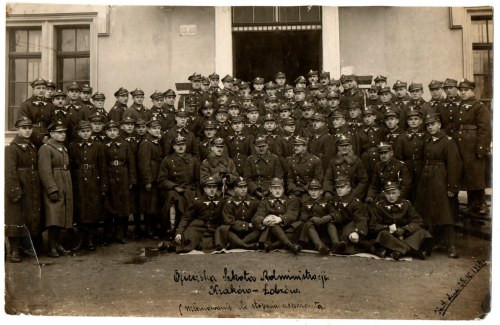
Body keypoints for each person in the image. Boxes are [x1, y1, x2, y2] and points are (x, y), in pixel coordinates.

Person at [415, 113, 462, 258]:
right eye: (428, 125)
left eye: (433, 124)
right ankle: (431, 242)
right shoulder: (427, 140)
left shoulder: (448, 141)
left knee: (445, 212)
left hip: (441, 179)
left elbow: (454, 165)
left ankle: (451, 245)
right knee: (428, 211)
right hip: (427, 179)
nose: (430, 127)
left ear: (439, 125)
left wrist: (452, 186)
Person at [5, 117, 42, 262]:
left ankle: (25, 247)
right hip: (20, 183)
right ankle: (14, 250)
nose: (27, 131)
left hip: (32, 184)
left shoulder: (31, 146)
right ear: (17, 129)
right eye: (23, 128)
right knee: (15, 217)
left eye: (29, 128)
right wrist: (14, 190)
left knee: (29, 216)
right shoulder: (12, 148)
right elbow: (9, 171)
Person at [452, 79, 491, 215]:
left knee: (477, 175)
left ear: (472, 90)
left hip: (473, 146)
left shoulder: (479, 107)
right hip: (462, 146)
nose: (462, 93)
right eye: (461, 90)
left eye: (465, 90)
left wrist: (481, 148)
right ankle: (472, 204)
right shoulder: (460, 106)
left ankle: (482, 204)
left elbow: (485, 129)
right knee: (468, 175)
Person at [68, 120, 107, 251]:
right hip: (78, 180)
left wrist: (103, 185)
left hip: (93, 180)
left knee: (93, 208)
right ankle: (80, 239)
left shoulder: (98, 146)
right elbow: (71, 166)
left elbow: (102, 167)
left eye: (88, 131)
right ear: (78, 132)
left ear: (91, 132)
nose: (85, 134)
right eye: (83, 131)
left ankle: (90, 239)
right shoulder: (73, 146)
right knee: (80, 209)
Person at [370, 181, 433, 260]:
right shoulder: (380, 206)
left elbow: (418, 221)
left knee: (422, 232)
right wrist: (389, 228)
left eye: (393, 193)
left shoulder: (406, 204)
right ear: (385, 194)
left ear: (398, 193)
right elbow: (373, 225)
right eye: (388, 194)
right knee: (383, 234)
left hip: (406, 236)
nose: (391, 196)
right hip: (391, 236)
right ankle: (411, 250)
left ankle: (399, 251)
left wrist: (405, 229)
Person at [38, 120, 74, 257]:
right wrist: (51, 188)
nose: (63, 135)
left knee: (62, 215)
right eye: (59, 132)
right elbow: (44, 170)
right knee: (54, 215)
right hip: (55, 180)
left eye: (64, 132)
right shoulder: (46, 148)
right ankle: (51, 246)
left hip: (65, 180)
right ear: (51, 134)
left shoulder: (62, 147)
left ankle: (57, 243)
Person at [157, 135, 200, 238]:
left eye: (183, 145)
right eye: (178, 145)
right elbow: (162, 180)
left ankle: (189, 230)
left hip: (189, 189)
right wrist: (174, 187)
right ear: (173, 146)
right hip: (174, 189)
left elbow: (198, 180)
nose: (181, 147)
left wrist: (197, 192)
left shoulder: (193, 160)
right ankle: (170, 229)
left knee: (194, 199)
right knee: (172, 197)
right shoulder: (167, 161)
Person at [102, 120, 137, 245]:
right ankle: (108, 235)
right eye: (110, 131)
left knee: (123, 207)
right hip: (109, 175)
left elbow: (131, 162)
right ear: (106, 132)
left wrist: (132, 179)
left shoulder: (125, 144)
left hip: (123, 175)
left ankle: (121, 234)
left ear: (118, 131)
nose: (112, 133)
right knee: (108, 207)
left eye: (115, 130)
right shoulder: (102, 145)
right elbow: (101, 164)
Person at [174, 176, 225, 253]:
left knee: (213, 244)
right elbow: (186, 218)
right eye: (209, 187)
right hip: (199, 228)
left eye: (214, 187)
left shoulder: (222, 202)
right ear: (204, 189)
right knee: (188, 240)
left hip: (214, 229)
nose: (212, 190)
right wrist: (179, 232)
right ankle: (170, 245)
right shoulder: (197, 202)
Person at [252, 178, 302, 254]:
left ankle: (272, 246)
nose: (277, 191)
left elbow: (293, 214)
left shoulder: (290, 199)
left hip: (287, 229)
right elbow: (257, 217)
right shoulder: (265, 202)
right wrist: (263, 221)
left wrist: (280, 219)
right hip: (271, 232)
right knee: (272, 222)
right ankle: (290, 245)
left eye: (279, 188)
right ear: (270, 189)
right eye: (275, 188)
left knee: (300, 225)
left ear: (283, 189)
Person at [137, 119, 164, 239]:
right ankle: (149, 230)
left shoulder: (155, 141)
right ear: (148, 129)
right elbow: (143, 163)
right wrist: (147, 180)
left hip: (157, 175)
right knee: (149, 205)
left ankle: (153, 228)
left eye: (158, 128)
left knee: (154, 204)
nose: (157, 130)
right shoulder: (146, 143)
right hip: (151, 177)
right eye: (154, 128)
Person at [330, 176, 370, 254]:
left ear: (349, 188)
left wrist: (357, 232)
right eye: (337, 187)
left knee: (348, 239)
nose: (339, 189)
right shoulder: (335, 200)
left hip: (352, 227)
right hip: (340, 227)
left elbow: (361, 219)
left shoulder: (355, 202)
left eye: (342, 187)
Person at [217, 177, 261, 250]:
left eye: (245, 187)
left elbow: (258, 215)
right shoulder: (229, 203)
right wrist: (246, 225)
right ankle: (246, 246)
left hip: (248, 232)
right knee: (224, 228)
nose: (243, 189)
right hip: (235, 232)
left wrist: (254, 223)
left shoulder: (253, 201)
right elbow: (229, 221)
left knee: (260, 229)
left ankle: (237, 244)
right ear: (235, 188)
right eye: (240, 187)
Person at [323, 135, 368, 200]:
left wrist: (354, 195)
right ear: (338, 147)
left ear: (350, 147)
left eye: (346, 145)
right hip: (337, 193)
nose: (344, 148)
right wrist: (328, 191)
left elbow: (363, 181)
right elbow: (328, 179)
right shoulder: (333, 162)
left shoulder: (357, 161)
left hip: (352, 194)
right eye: (342, 146)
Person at [298, 179, 335, 255]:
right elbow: (302, 216)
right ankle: (320, 246)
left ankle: (335, 244)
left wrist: (325, 219)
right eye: (311, 190)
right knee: (308, 224)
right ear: (308, 191)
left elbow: (334, 213)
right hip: (312, 232)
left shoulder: (326, 201)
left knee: (330, 225)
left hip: (324, 229)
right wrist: (311, 218)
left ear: (321, 191)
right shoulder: (305, 202)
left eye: (316, 190)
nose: (313, 192)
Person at [243, 135, 284, 199]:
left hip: (271, 190)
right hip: (254, 191)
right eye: (259, 147)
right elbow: (247, 179)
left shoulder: (274, 159)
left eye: (263, 146)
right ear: (255, 147)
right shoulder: (250, 160)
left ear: (267, 146)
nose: (261, 148)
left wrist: (268, 190)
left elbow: (278, 177)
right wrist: (255, 191)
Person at [19, 78, 53, 147]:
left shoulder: (50, 105)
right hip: (31, 138)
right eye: (38, 88)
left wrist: (48, 136)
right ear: (33, 89)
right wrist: (40, 137)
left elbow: (53, 122)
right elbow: (24, 123)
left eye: (43, 88)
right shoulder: (26, 104)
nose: (41, 90)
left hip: (48, 138)